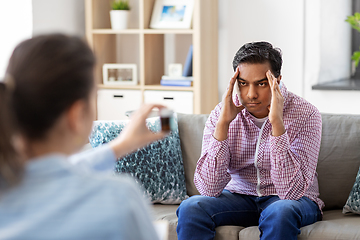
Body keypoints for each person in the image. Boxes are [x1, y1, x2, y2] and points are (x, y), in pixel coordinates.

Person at [0, 34, 168, 240]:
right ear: (77, 115)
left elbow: (50, 173)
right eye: (95, 96)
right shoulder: (117, 200)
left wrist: (121, 146)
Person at [176, 41, 324, 240]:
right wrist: (223, 126)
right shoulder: (222, 113)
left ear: (277, 81)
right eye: (243, 83)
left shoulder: (305, 114)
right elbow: (208, 189)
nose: (251, 94)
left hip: (291, 201)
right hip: (239, 197)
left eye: (261, 84)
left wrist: (277, 125)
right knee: (191, 207)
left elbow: (292, 192)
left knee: (281, 212)